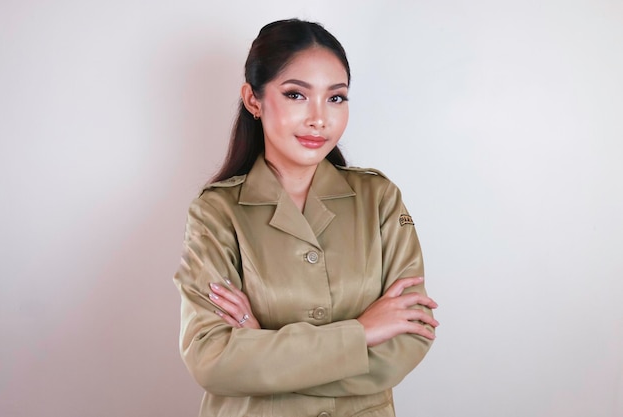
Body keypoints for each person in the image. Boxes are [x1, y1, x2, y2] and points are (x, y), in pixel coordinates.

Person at [173, 18, 439, 417]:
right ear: (253, 99)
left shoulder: (379, 199)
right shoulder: (217, 212)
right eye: (297, 94)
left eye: (335, 98)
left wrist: (263, 349)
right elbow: (210, 357)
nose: (320, 118)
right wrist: (362, 333)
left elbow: (410, 336)